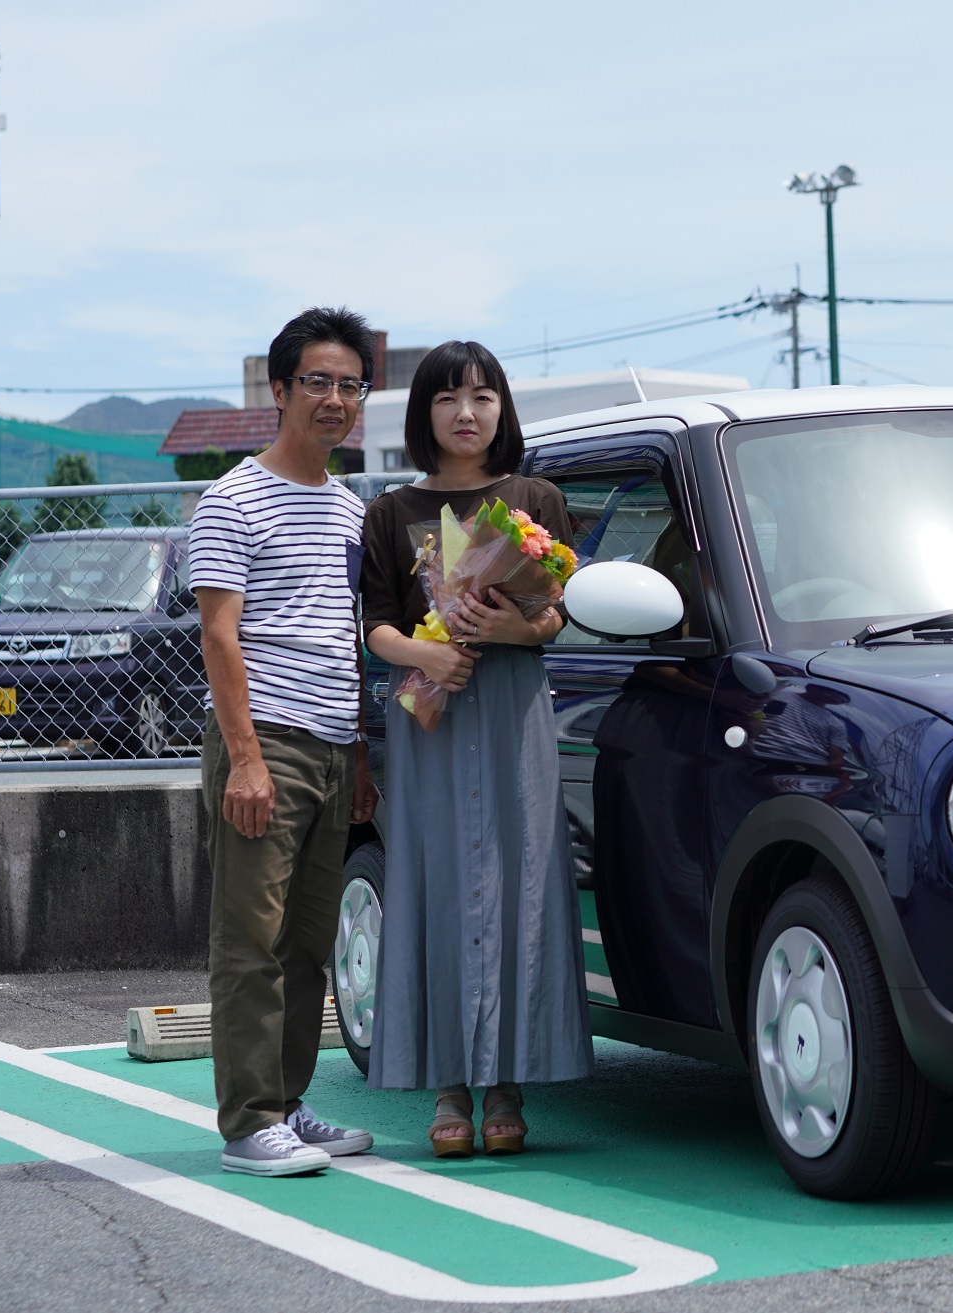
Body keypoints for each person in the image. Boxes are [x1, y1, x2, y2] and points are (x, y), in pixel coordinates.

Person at [359, 340, 592, 1155]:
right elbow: (376, 624)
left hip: (508, 705)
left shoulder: (535, 497)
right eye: (448, 397)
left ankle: (507, 1087)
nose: (466, 412)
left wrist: (512, 626)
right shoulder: (390, 510)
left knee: (520, 879)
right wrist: (423, 654)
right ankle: (448, 1088)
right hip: (427, 709)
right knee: (434, 881)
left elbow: (556, 614)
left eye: (482, 396)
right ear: (423, 413)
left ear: (503, 408)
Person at [190, 307, 381, 1176]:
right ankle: (246, 1123)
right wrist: (247, 758)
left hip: (335, 748)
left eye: (350, 384)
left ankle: (288, 1103)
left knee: (310, 943)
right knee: (250, 939)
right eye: (317, 381)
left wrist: (363, 757)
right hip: (265, 739)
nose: (335, 398)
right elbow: (219, 637)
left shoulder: (349, 508)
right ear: (278, 390)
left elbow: (348, 636)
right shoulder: (232, 498)